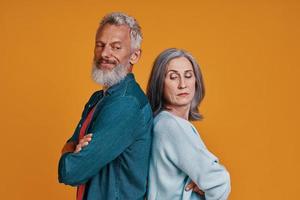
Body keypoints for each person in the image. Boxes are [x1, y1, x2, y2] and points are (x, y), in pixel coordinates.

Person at [58, 12, 153, 200]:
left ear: (135, 56)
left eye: (116, 47)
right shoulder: (99, 98)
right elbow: (71, 145)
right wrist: (72, 148)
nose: (104, 54)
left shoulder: (126, 104)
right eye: (100, 45)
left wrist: (70, 152)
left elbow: (71, 171)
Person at [146, 48, 231, 200]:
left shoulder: (159, 122)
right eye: (173, 77)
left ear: (196, 81)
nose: (182, 84)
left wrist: (203, 185)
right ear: (160, 83)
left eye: (188, 75)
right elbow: (220, 181)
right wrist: (206, 188)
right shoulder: (172, 126)